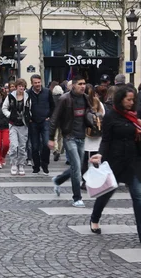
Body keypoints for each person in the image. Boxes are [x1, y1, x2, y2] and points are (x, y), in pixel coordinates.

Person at [89, 86, 141, 247]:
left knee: (139, 198)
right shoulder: (111, 116)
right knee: (105, 193)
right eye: (128, 99)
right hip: (115, 161)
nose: (131, 102)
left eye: (132, 99)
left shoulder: (134, 116)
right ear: (120, 99)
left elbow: (140, 137)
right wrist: (100, 154)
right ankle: (94, 218)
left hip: (133, 162)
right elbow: (106, 139)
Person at [48, 75, 92, 208]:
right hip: (69, 136)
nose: (83, 86)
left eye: (84, 83)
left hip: (82, 136)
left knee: (76, 166)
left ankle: (58, 179)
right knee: (77, 167)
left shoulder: (85, 98)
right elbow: (54, 118)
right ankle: (77, 198)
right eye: (80, 84)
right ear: (73, 85)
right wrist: (51, 138)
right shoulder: (64, 99)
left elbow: (88, 113)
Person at [27, 74, 56, 175]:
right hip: (33, 122)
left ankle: (45, 164)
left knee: (46, 144)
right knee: (35, 146)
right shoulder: (28, 93)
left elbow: (53, 106)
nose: (38, 84)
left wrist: (49, 116)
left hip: (45, 121)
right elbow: (25, 108)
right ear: (32, 83)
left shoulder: (47, 92)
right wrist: (29, 118)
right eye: (35, 83)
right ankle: (36, 166)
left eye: (39, 82)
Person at [2, 78, 32, 176]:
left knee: (22, 147)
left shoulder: (28, 96)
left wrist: (29, 116)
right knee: (14, 146)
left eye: (23, 86)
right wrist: (10, 115)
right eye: (19, 86)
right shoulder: (10, 96)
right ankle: (13, 164)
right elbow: (4, 108)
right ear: (16, 87)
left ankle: (21, 165)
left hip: (23, 124)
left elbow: (30, 109)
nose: (21, 88)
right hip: (13, 124)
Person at [82, 84, 105, 187]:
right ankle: (95, 179)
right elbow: (103, 114)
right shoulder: (97, 102)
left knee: (84, 159)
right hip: (96, 133)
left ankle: (84, 181)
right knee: (95, 158)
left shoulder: (81, 102)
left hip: (84, 133)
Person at [51, 84, 64, 161]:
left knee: (54, 136)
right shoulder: (63, 98)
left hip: (54, 120)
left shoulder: (52, 99)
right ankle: (59, 149)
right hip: (62, 120)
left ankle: (55, 150)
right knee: (60, 137)